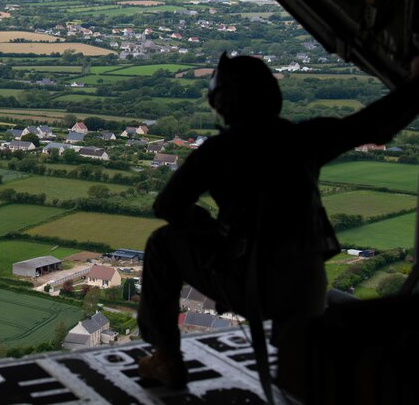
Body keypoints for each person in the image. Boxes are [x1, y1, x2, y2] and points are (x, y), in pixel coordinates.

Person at [137, 53, 419, 388]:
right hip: (306, 287)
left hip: (251, 286)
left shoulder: (217, 151)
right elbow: (377, 124)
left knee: (162, 243)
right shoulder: (305, 138)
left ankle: (167, 357)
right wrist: (416, 85)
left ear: (224, 102)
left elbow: (168, 207)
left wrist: (210, 229)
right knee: (298, 376)